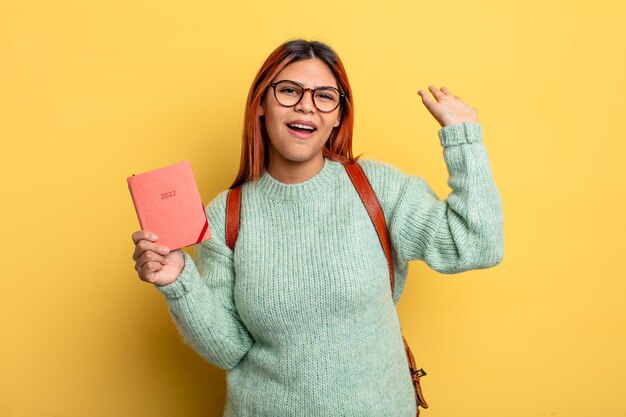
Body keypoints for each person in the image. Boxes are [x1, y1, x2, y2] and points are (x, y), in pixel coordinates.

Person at [131, 39, 504, 417]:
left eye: (325, 96)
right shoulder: (225, 215)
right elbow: (227, 349)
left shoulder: (380, 190)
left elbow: (476, 244)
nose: (306, 105)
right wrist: (178, 281)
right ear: (261, 103)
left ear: (339, 115)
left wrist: (463, 138)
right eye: (289, 90)